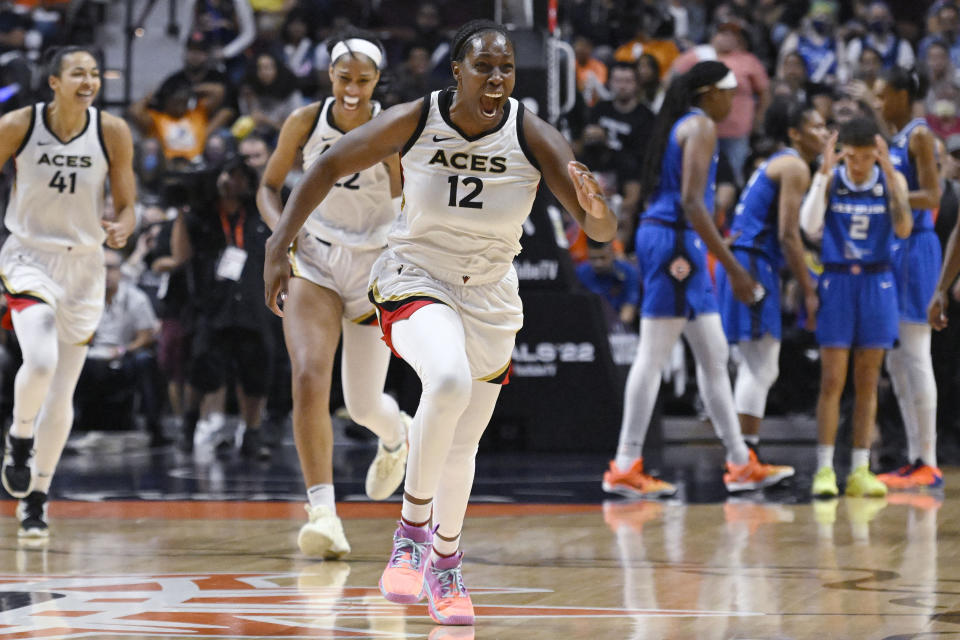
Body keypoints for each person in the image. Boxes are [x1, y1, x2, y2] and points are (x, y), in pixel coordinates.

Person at [264, 19, 617, 627]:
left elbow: (602, 233)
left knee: (463, 446)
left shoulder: (530, 131)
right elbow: (323, 168)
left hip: (490, 291)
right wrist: (278, 245)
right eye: (484, 66)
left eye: (506, 67)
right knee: (447, 381)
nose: (497, 77)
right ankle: (411, 534)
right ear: (457, 71)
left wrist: (596, 207)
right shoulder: (415, 118)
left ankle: (447, 567)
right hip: (414, 275)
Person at [602, 61, 794, 501]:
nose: (735, 102)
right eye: (731, 92)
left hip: (676, 240)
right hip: (675, 243)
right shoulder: (701, 125)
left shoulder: (687, 125)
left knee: (713, 355)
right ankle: (625, 464)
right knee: (652, 355)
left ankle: (740, 462)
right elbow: (691, 201)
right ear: (709, 92)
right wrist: (735, 269)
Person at [256, 31, 410, 560]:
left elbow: (407, 202)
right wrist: (282, 234)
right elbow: (268, 186)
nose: (352, 89)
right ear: (330, 77)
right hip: (317, 255)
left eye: (362, 80)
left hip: (374, 264)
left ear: (375, 82)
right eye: (344, 78)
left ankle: (396, 438)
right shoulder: (304, 121)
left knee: (364, 405)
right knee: (307, 375)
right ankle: (323, 512)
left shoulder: (392, 126)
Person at [0, 46, 136, 539]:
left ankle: (37, 496)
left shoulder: (112, 131)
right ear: (54, 81)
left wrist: (122, 228)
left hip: (84, 266)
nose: (90, 80)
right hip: (30, 256)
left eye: (96, 73)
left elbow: (127, 206)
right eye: (78, 72)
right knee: (38, 361)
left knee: (62, 393)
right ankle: (18, 439)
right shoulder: (19, 124)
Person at [800, 117, 912, 498]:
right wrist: (822, 176)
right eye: (854, 157)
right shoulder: (832, 180)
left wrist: (892, 174)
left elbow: (903, 229)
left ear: (876, 154)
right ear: (843, 153)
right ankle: (824, 469)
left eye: (868, 157)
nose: (861, 164)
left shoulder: (889, 180)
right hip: (838, 281)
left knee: (868, 381)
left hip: (877, 281)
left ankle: (861, 469)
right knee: (832, 380)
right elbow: (809, 226)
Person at [715, 99, 827, 462]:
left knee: (759, 365)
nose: (825, 133)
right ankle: (743, 456)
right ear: (794, 133)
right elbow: (788, 236)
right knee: (759, 366)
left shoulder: (780, 163)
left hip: (747, 260)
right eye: (817, 127)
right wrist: (808, 288)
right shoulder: (794, 165)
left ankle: (743, 453)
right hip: (751, 263)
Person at [873, 68, 944, 491]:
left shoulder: (920, 135)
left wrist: (885, 196)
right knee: (896, 361)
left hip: (917, 247)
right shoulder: (896, 139)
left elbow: (932, 196)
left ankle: (929, 460)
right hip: (894, 249)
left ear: (902, 95)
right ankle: (915, 457)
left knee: (916, 354)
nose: (880, 103)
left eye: (884, 96)